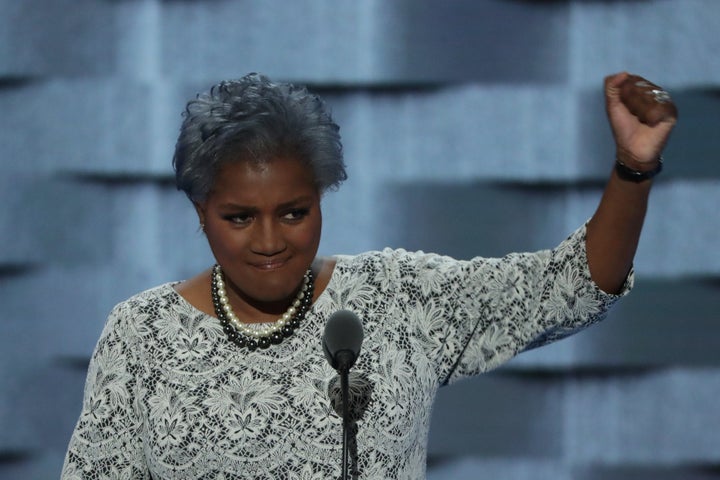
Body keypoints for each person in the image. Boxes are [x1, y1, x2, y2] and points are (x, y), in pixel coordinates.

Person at [61, 72, 677, 479]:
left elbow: (569, 287)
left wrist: (632, 167)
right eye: (240, 217)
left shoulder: (396, 297)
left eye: (295, 212)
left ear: (322, 199)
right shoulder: (142, 335)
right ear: (202, 213)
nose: (271, 240)